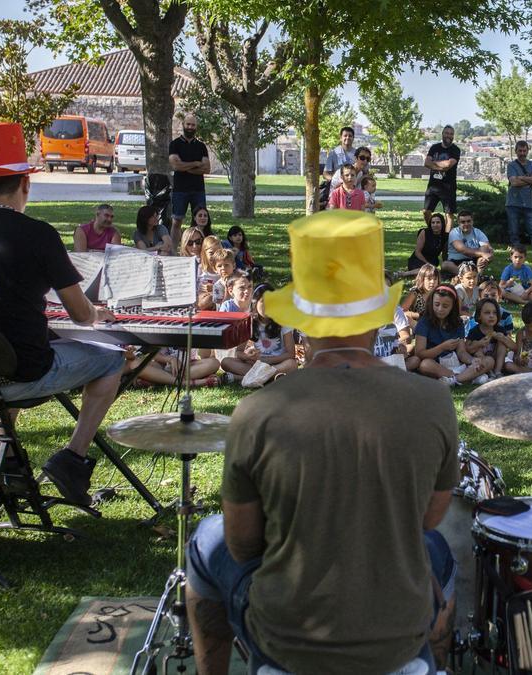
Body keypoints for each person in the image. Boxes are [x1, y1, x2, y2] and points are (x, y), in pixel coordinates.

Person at [187, 210, 458, 675]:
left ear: (305, 323)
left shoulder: (257, 412)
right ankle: (435, 654)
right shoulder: (433, 402)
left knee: (206, 539)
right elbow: (426, 519)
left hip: (287, 635)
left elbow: (243, 545)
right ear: (378, 316)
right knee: (439, 551)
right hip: (394, 635)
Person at [0, 122, 126, 506]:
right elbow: (81, 315)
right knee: (111, 361)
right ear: (25, 185)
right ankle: (72, 459)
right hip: (22, 371)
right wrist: (100, 311)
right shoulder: (39, 234)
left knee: (1, 356)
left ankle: (10, 466)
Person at [219, 282, 301, 382]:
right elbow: (239, 352)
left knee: (292, 364)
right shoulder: (248, 323)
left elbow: (290, 354)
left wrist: (268, 360)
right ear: (255, 303)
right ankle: (270, 377)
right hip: (257, 364)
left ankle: (241, 377)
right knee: (226, 362)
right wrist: (247, 356)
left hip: (278, 363)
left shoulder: (283, 321)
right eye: (263, 302)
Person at [413, 285, 489, 386]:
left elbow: (461, 352)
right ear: (431, 304)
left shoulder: (457, 322)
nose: (440, 309)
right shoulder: (424, 322)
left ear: (453, 307)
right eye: (436, 304)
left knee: (489, 361)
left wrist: (472, 361)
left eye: (445, 306)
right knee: (425, 365)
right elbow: (419, 353)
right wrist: (442, 347)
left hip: (456, 363)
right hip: (436, 365)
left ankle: (455, 379)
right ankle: (467, 377)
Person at [168, 114, 211, 249]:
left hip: (198, 189)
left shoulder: (201, 146)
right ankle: (174, 251)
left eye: (193, 125)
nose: (190, 127)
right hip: (180, 189)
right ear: (183, 125)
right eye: (188, 124)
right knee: (176, 221)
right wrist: (196, 163)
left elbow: (207, 168)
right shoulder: (174, 144)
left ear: (196, 127)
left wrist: (185, 166)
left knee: (201, 222)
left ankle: (200, 250)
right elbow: (175, 166)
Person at [506, 140, 532, 264]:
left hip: (529, 203)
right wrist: (529, 179)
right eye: (520, 151)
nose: (522, 153)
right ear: (515, 151)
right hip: (513, 203)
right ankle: (515, 258)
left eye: (524, 150)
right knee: (514, 232)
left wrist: (520, 177)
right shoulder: (511, 165)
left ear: (528, 151)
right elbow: (514, 182)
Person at [465, 298, 514, 380]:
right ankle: (489, 372)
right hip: (483, 362)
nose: (491, 316)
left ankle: (498, 371)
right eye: (487, 313)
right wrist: (479, 343)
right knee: (477, 349)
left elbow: (514, 347)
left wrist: (503, 338)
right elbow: (467, 349)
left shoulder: (500, 329)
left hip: (497, 359)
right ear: (479, 316)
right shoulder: (474, 331)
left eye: (494, 313)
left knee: (502, 343)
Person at [423, 125, 461, 230]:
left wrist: (434, 164)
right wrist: (441, 166)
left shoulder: (455, 150)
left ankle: (446, 237)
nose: (449, 136)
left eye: (451, 134)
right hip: (433, 186)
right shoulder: (434, 148)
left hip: (448, 187)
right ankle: (433, 231)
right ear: (442, 134)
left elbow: (449, 165)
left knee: (449, 214)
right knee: (426, 212)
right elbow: (426, 163)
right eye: (447, 133)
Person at [445, 211, 493, 276]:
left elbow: (487, 246)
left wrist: (489, 254)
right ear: (458, 223)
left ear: (472, 221)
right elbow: (463, 250)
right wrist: (482, 253)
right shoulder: (454, 232)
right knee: (445, 265)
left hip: (473, 260)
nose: (466, 224)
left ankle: (478, 276)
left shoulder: (478, 232)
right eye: (463, 222)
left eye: (468, 221)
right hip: (456, 262)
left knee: (483, 258)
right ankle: (465, 276)